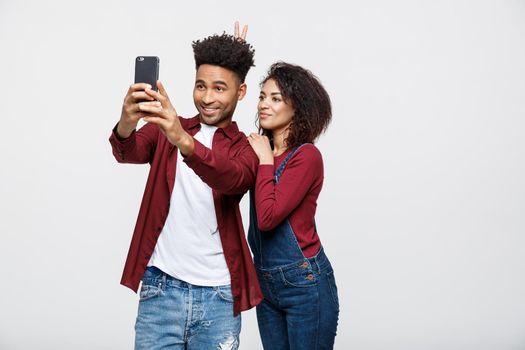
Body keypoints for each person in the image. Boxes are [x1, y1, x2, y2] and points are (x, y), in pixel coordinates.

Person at [109, 23, 262, 350]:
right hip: (160, 290)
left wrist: (181, 138)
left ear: (241, 92)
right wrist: (127, 120)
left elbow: (230, 177)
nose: (207, 98)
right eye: (201, 86)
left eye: (220, 88)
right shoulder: (168, 128)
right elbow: (127, 151)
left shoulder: (245, 148)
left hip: (219, 297)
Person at [247, 62, 340, 349]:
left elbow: (268, 217)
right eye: (262, 96)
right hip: (265, 281)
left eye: (275, 99)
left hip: (305, 283)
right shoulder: (260, 150)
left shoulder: (306, 156)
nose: (264, 104)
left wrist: (264, 160)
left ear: (297, 108)